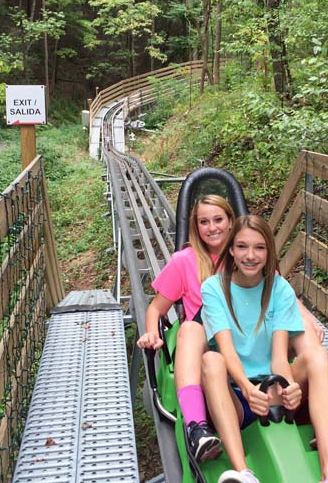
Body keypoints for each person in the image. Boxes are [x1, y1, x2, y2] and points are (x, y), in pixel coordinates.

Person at [201, 215, 328, 483]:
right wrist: (246, 388)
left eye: (259, 248)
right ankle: (243, 472)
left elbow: (279, 357)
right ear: (231, 249)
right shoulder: (213, 288)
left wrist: (289, 385)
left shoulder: (279, 289)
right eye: (242, 246)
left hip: (272, 390)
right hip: (236, 395)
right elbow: (227, 350)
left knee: (317, 355)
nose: (250, 256)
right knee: (211, 359)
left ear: (269, 252)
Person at [137, 195, 234, 462]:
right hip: (204, 339)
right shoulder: (185, 261)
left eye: (218, 220)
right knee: (190, 329)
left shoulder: (246, 254)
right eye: (204, 222)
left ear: (230, 221)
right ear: (196, 226)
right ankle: (196, 428)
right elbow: (156, 308)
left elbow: (279, 293)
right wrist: (152, 332)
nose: (212, 228)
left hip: (241, 336)